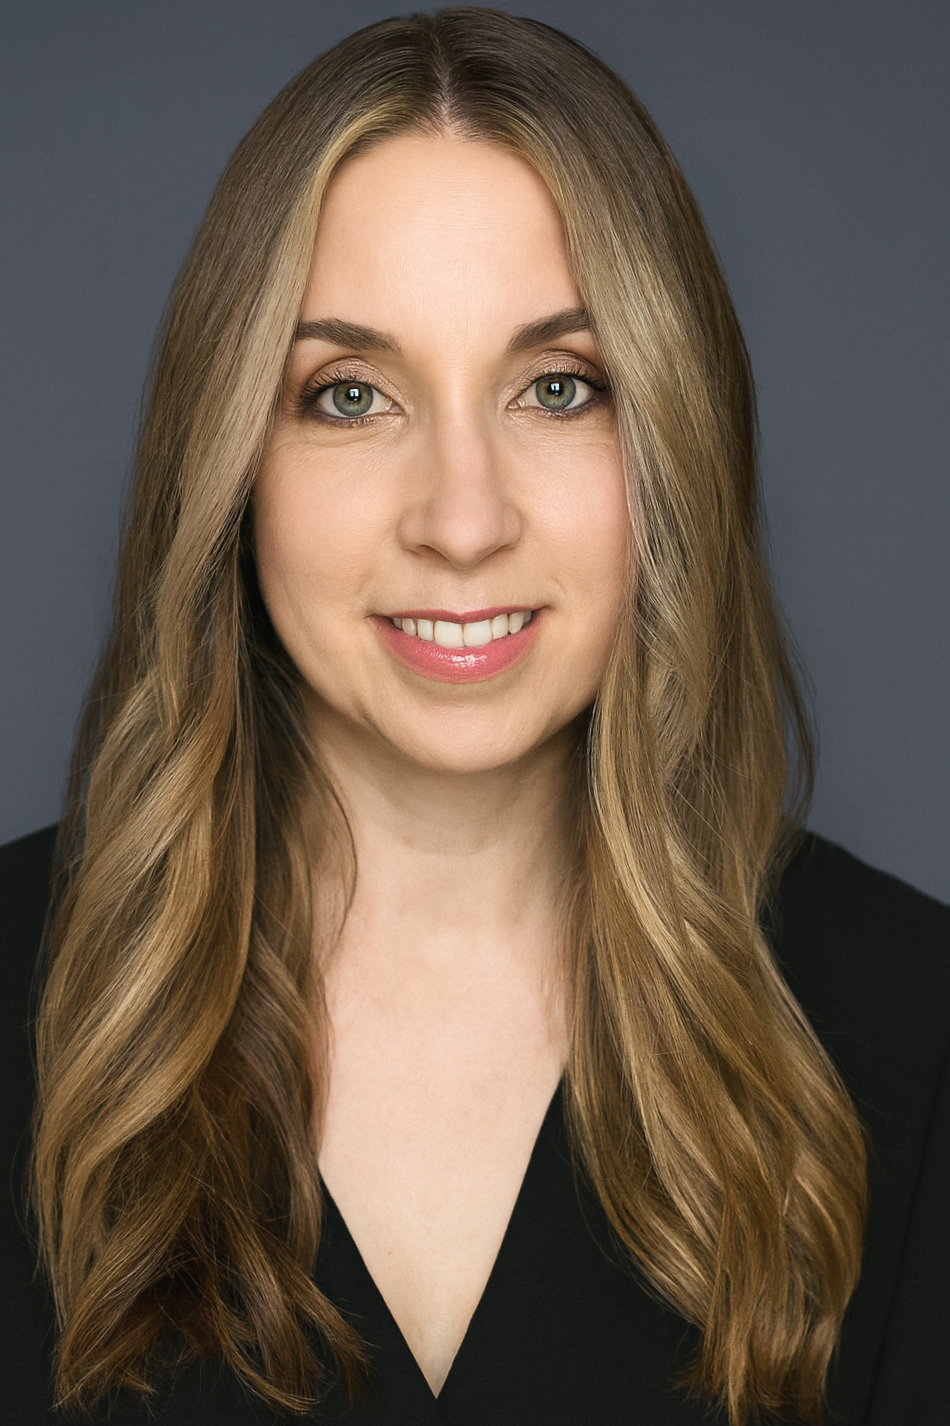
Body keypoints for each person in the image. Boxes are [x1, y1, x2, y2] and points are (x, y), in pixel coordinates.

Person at [1, 9, 947, 1425]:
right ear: (229, 461)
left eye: (557, 388)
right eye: (350, 394)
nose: (461, 518)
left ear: (669, 438)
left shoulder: (910, 1025)